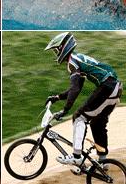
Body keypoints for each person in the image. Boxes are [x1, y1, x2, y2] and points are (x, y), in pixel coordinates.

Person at [44, 32, 122, 166]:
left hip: (107, 87)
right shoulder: (77, 58)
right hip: (115, 88)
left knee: (79, 117)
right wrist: (58, 97)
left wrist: (65, 110)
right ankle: (103, 161)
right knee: (97, 123)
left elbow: (75, 89)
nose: (56, 54)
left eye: (56, 50)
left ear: (63, 48)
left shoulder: (72, 62)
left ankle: (76, 156)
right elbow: (77, 87)